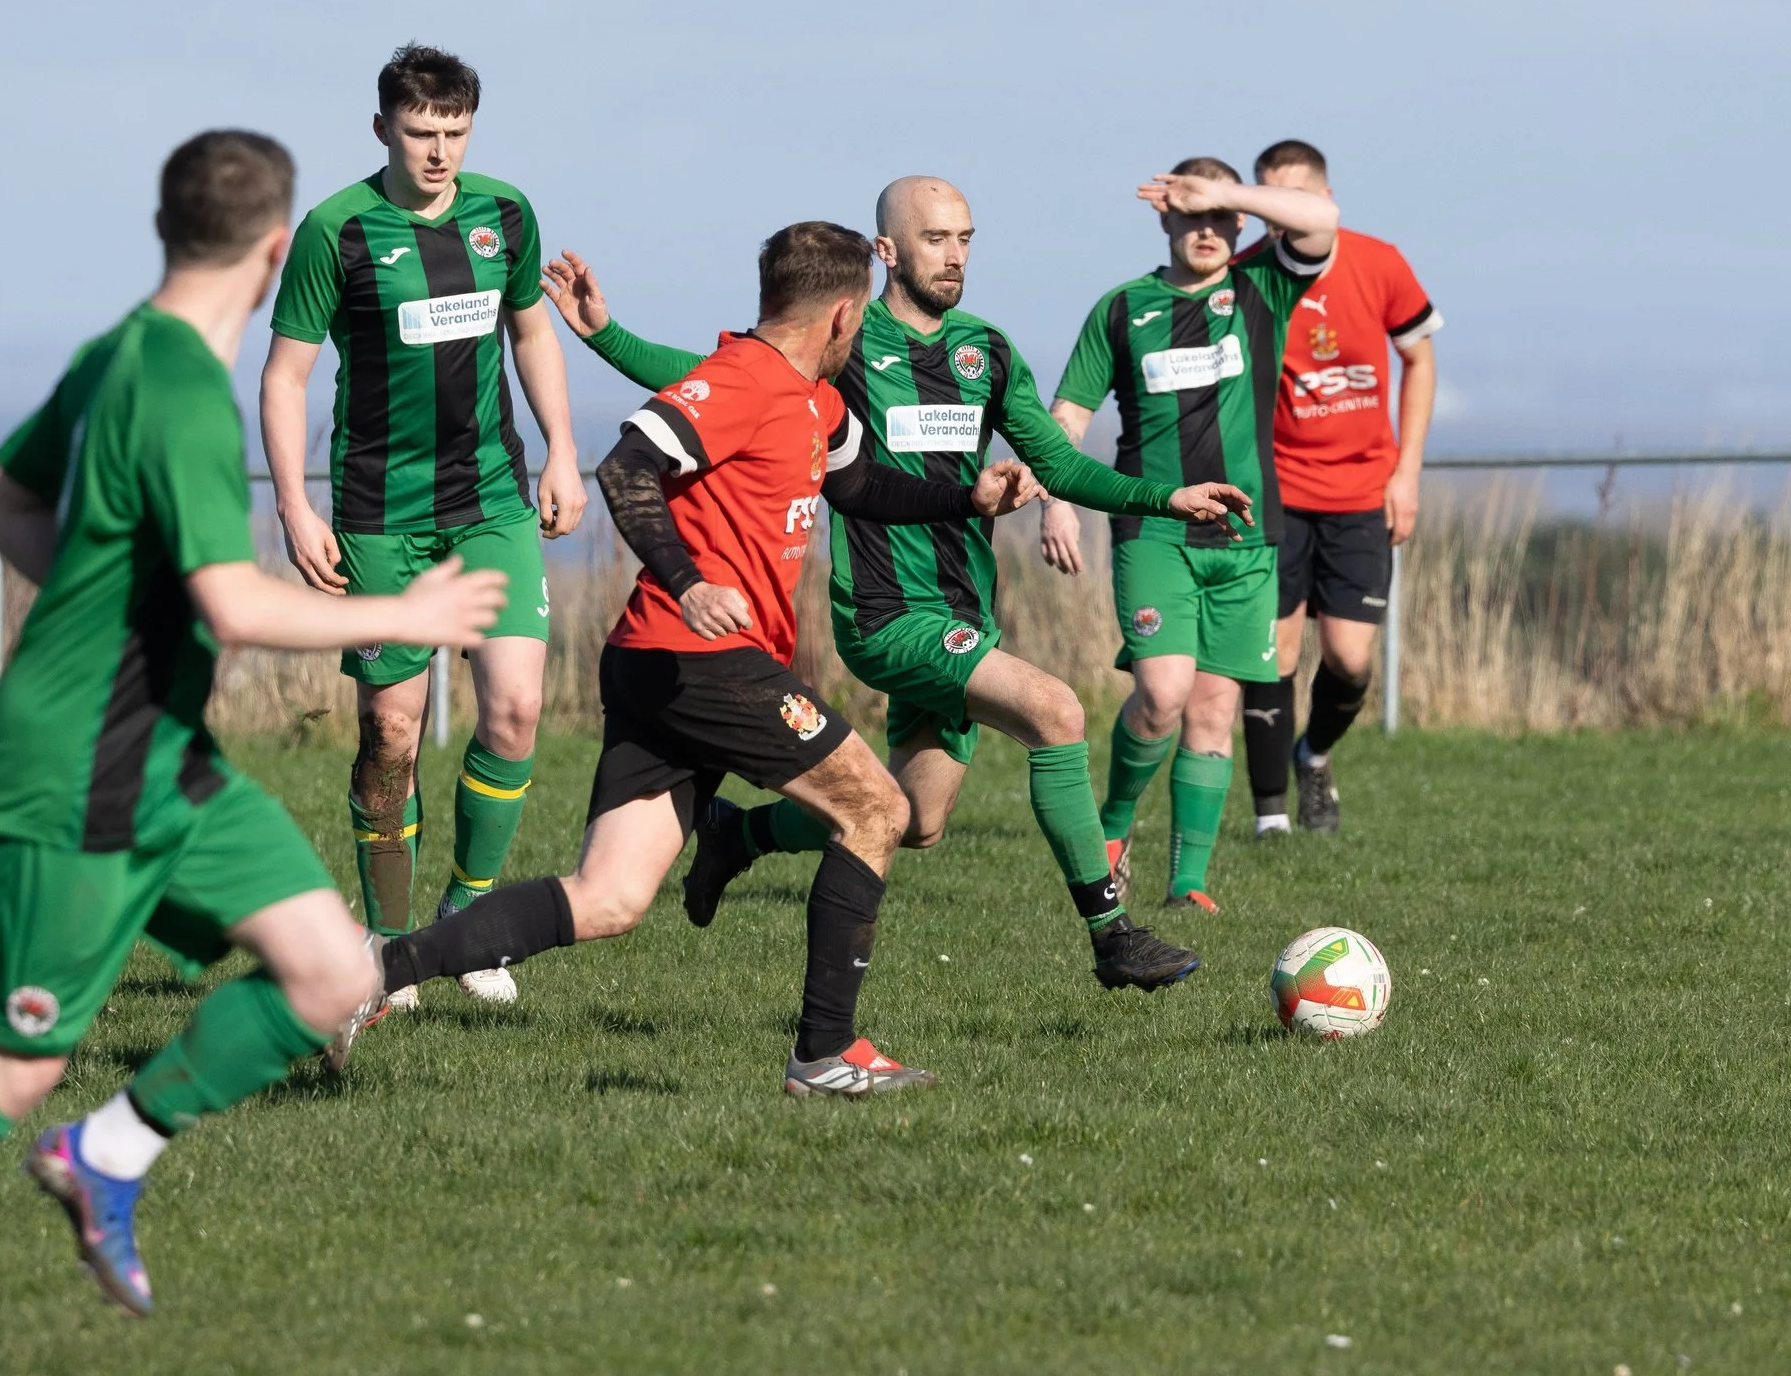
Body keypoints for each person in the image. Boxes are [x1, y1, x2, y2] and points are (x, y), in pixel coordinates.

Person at [0, 131, 508, 1376]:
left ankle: (107, 1154)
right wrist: (407, 617)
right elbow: (233, 604)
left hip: (161, 750)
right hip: (74, 769)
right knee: (17, 1062)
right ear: (277, 252)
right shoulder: (171, 390)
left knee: (333, 975)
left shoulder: (117, 350)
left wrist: (108, 608)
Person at [377, 221, 1049, 1095]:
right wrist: (689, 581)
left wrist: (968, 493)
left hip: (664, 664)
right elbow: (625, 470)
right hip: (698, 654)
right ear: (846, 315)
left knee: (611, 897)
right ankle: (826, 1054)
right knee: (878, 810)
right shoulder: (743, 379)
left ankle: (371, 975)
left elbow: (858, 488)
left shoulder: (817, 399)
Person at [544, 177, 1251, 989]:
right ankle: (1111, 933)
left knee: (914, 819)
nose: (955, 256)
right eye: (936, 239)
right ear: (886, 251)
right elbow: (707, 372)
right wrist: (606, 334)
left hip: (964, 613)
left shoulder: (985, 351)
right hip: (885, 614)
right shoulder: (842, 343)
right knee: (1056, 712)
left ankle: (737, 839)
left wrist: (1168, 498)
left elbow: (1055, 463)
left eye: (966, 239)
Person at [260, 43, 586, 1010]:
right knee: (391, 731)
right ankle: (389, 943)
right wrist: (293, 503)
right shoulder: (336, 231)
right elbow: (285, 374)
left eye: (454, 133)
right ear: (382, 130)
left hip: (490, 498)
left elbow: (531, 329)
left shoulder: (506, 214)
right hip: (377, 511)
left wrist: (563, 451)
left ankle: (470, 928)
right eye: (419, 133)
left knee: (517, 709)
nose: (438, 152)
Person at [1037, 160, 1338, 911]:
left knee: (1212, 710)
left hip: (1245, 541)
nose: (1205, 230)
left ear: (1239, 225)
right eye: (1189, 213)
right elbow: (1068, 415)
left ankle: (1188, 886)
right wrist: (1055, 499)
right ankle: (1112, 825)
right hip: (1155, 532)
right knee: (1164, 695)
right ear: (1163, 218)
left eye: (1218, 218)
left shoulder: (1262, 287)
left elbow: (1322, 221)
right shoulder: (1122, 309)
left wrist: (1226, 192)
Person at [1232, 140, 1440, 834]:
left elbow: (1419, 357)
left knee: (1350, 660)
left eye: (1287, 197)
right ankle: (1271, 822)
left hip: (1361, 495)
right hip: (1279, 494)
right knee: (1276, 652)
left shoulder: (1379, 262)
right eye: (1263, 197)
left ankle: (1314, 755)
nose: (1274, 214)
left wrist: (1406, 471)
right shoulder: (1244, 274)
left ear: (1321, 200)